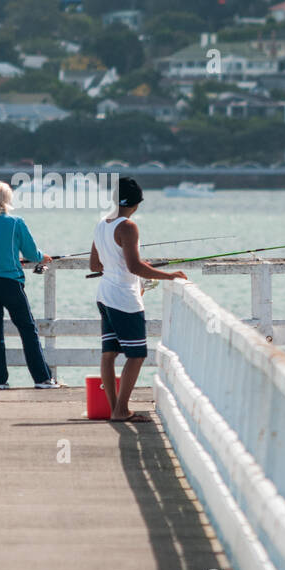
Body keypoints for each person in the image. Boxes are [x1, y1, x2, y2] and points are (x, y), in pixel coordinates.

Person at [89, 176, 188, 423]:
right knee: (136, 354)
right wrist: (169, 275)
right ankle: (121, 409)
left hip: (104, 295)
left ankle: (115, 409)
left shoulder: (102, 224)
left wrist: (117, 265)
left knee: (109, 353)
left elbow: (94, 264)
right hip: (124, 298)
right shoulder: (128, 227)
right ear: (137, 203)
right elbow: (134, 267)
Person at [0, 181, 59, 389]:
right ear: (8, 199)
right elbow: (31, 253)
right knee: (28, 330)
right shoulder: (16, 223)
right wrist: (43, 257)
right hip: (10, 284)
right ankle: (42, 378)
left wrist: (1, 256)